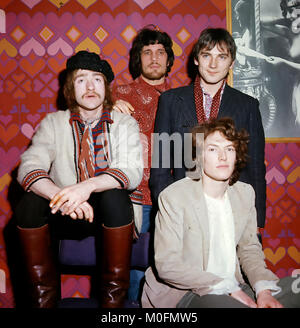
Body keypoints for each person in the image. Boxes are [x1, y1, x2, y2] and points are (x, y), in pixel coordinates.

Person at [15, 50, 143, 308]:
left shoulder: (123, 124)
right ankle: (44, 302)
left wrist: (85, 188)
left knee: (115, 195)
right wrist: (62, 196)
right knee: (29, 202)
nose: (90, 86)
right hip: (64, 213)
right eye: (81, 79)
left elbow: (131, 172)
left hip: (112, 217)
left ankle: (113, 307)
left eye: (97, 79)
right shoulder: (54, 122)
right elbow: (28, 167)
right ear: (71, 88)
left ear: (106, 88)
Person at [142, 117, 300, 308]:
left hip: (236, 285)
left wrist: (263, 292)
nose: (223, 156)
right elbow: (167, 265)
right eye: (213, 149)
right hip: (188, 292)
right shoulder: (174, 197)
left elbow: (249, 250)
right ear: (199, 156)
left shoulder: (245, 194)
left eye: (229, 149)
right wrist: (229, 289)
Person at [150, 27, 267, 229]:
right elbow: (160, 166)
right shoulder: (170, 101)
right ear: (196, 59)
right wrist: (171, 210)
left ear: (232, 62)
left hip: (231, 209)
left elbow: (255, 168)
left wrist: (254, 221)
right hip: (183, 210)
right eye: (206, 56)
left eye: (221, 57)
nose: (213, 64)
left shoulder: (248, 105)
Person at [112, 25, 174, 302]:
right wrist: (107, 110)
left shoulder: (181, 96)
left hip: (173, 196)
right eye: (147, 52)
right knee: (135, 271)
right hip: (134, 195)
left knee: (170, 270)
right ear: (138, 58)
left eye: (160, 52)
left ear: (169, 59)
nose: (154, 58)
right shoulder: (118, 93)